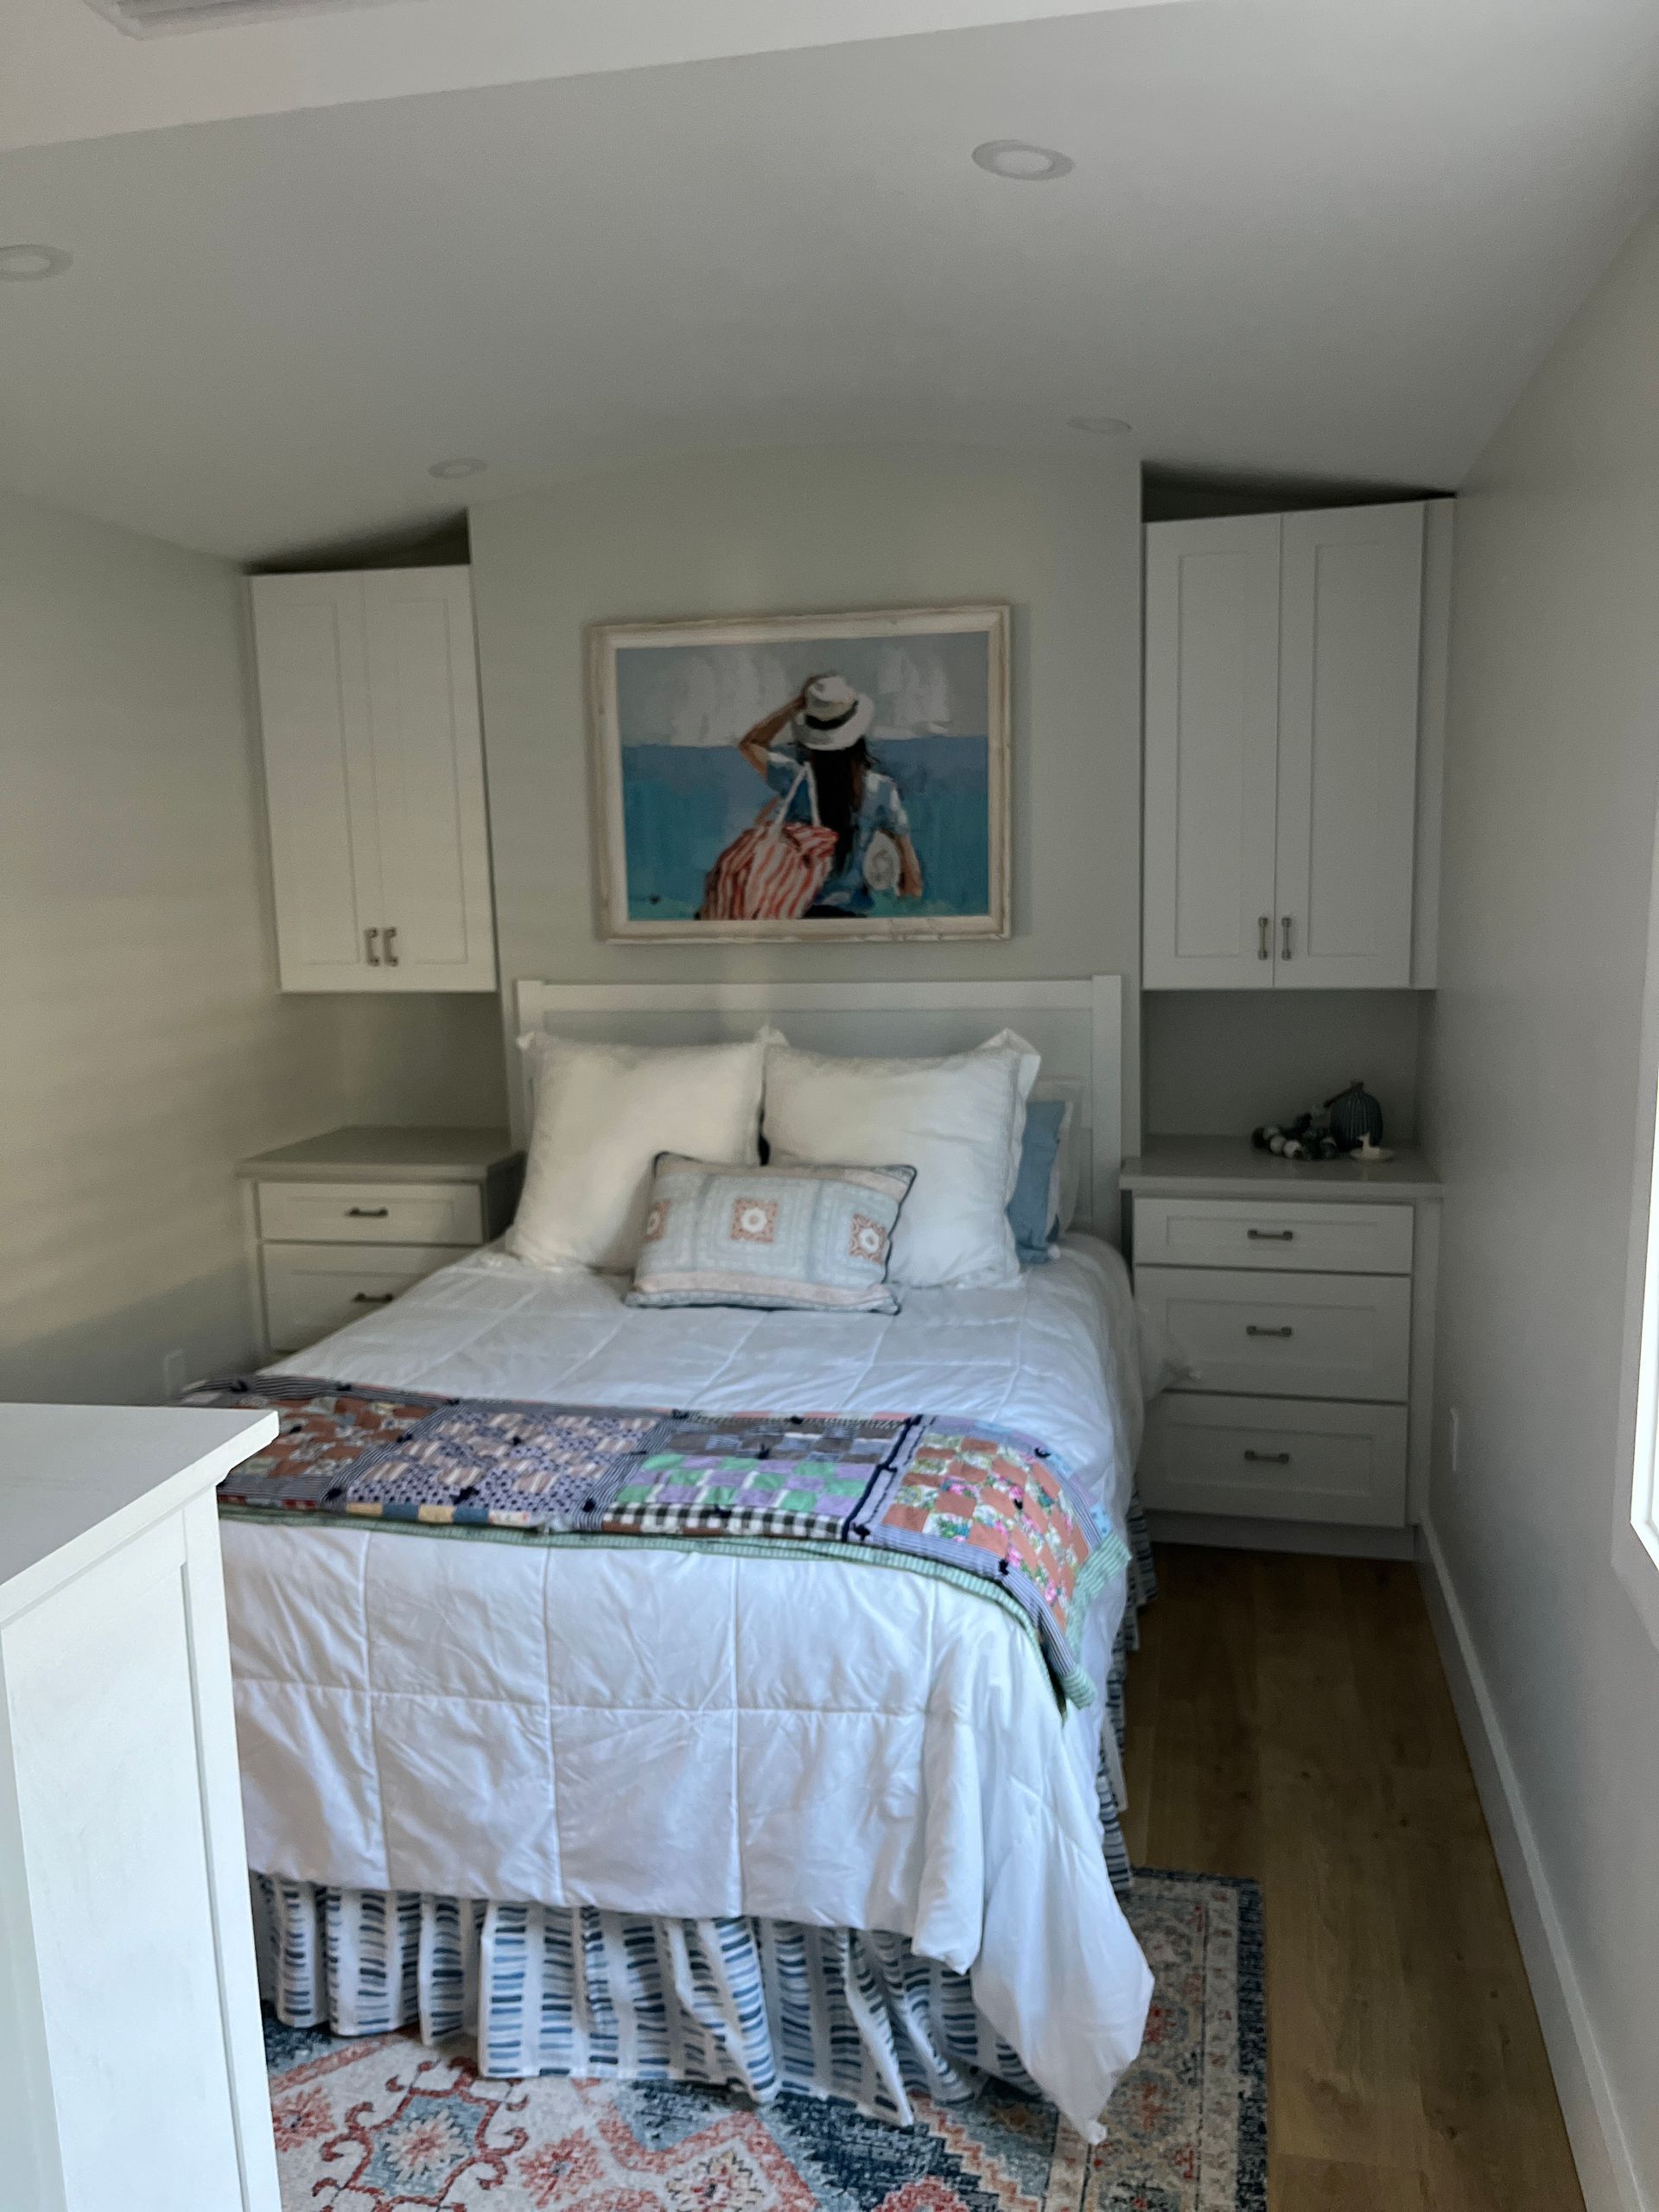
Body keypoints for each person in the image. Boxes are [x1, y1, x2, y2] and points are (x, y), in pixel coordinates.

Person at [736, 673, 924, 918]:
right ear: (857, 733)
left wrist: (796, 705)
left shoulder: (795, 778)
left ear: (811, 735)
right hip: (852, 920)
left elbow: (750, 744)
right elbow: (913, 885)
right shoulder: (882, 791)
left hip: (794, 913)